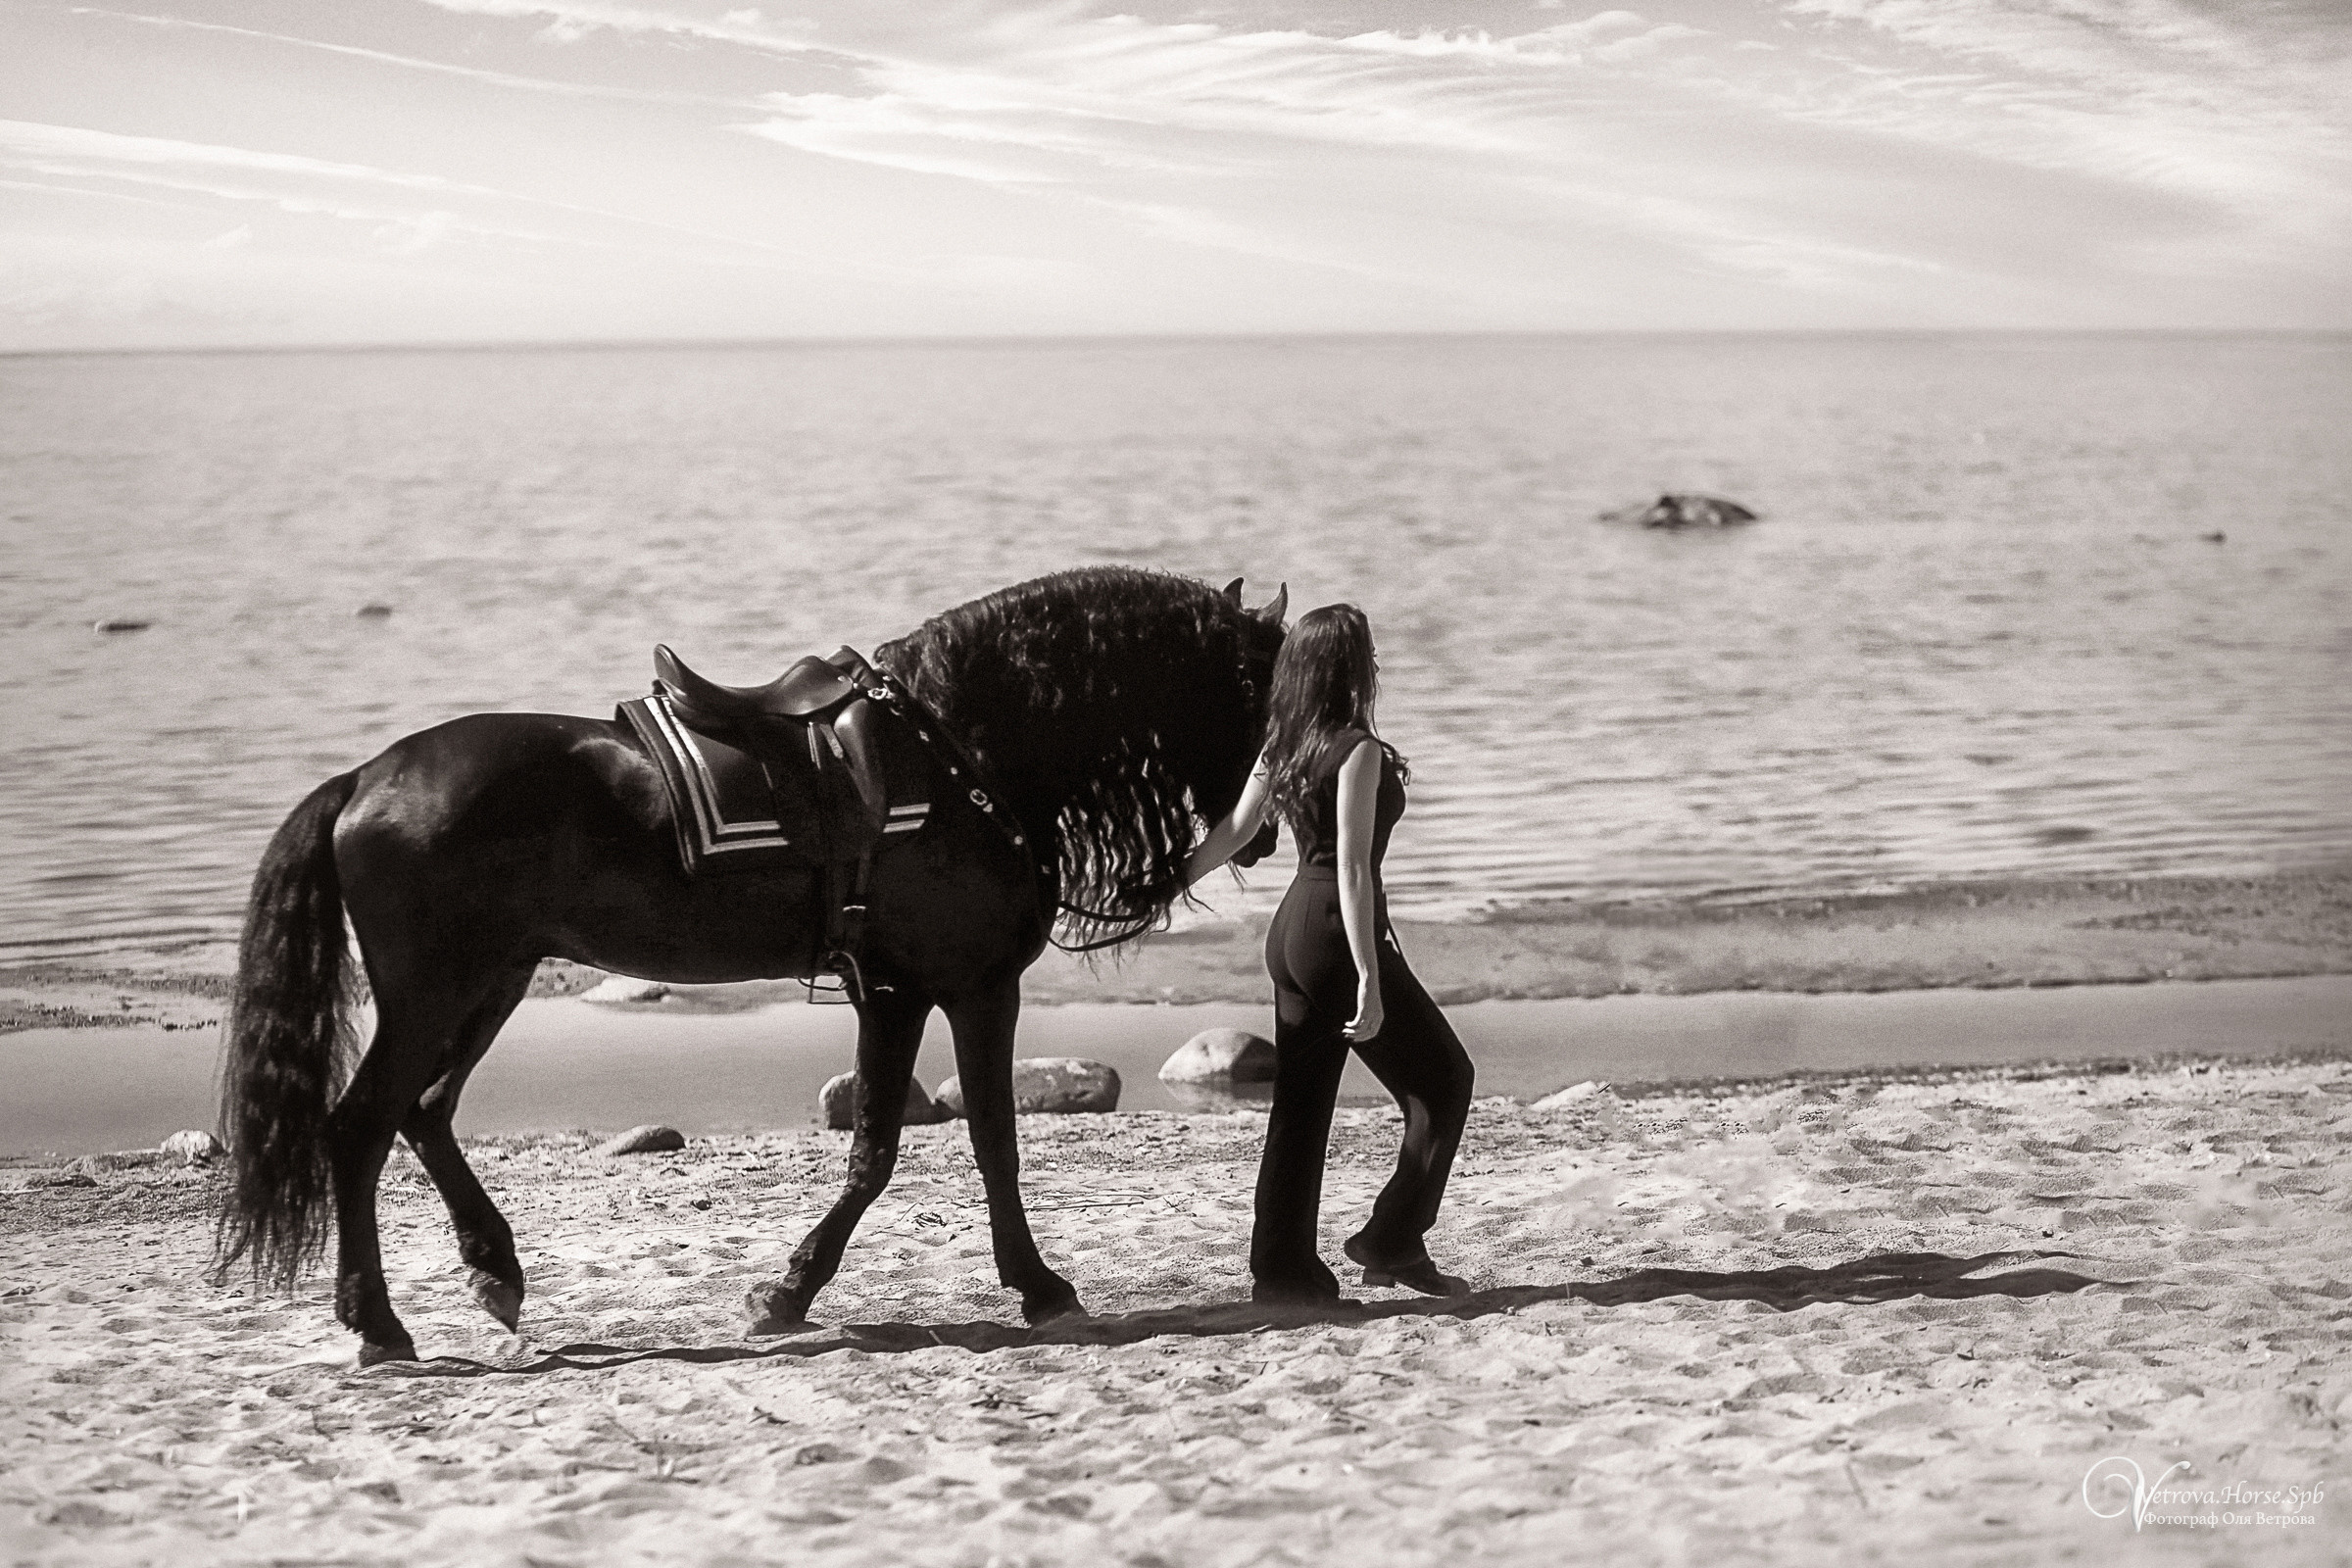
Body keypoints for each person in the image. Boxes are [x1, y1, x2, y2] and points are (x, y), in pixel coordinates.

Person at [1186, 603, 1475, 1302]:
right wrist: (1370, 977)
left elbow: (1232, 831)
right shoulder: (1357, 751)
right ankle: (1392, 1240)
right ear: (1348, 669)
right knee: (1444, 1080)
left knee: (1301, 1106)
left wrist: (1168, 881)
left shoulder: (1281, 746)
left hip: (1289, 935)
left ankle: (1282, 1271)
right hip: (1333, 932)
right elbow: (1350, 868)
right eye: (1366, 655)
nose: (1374, 665)